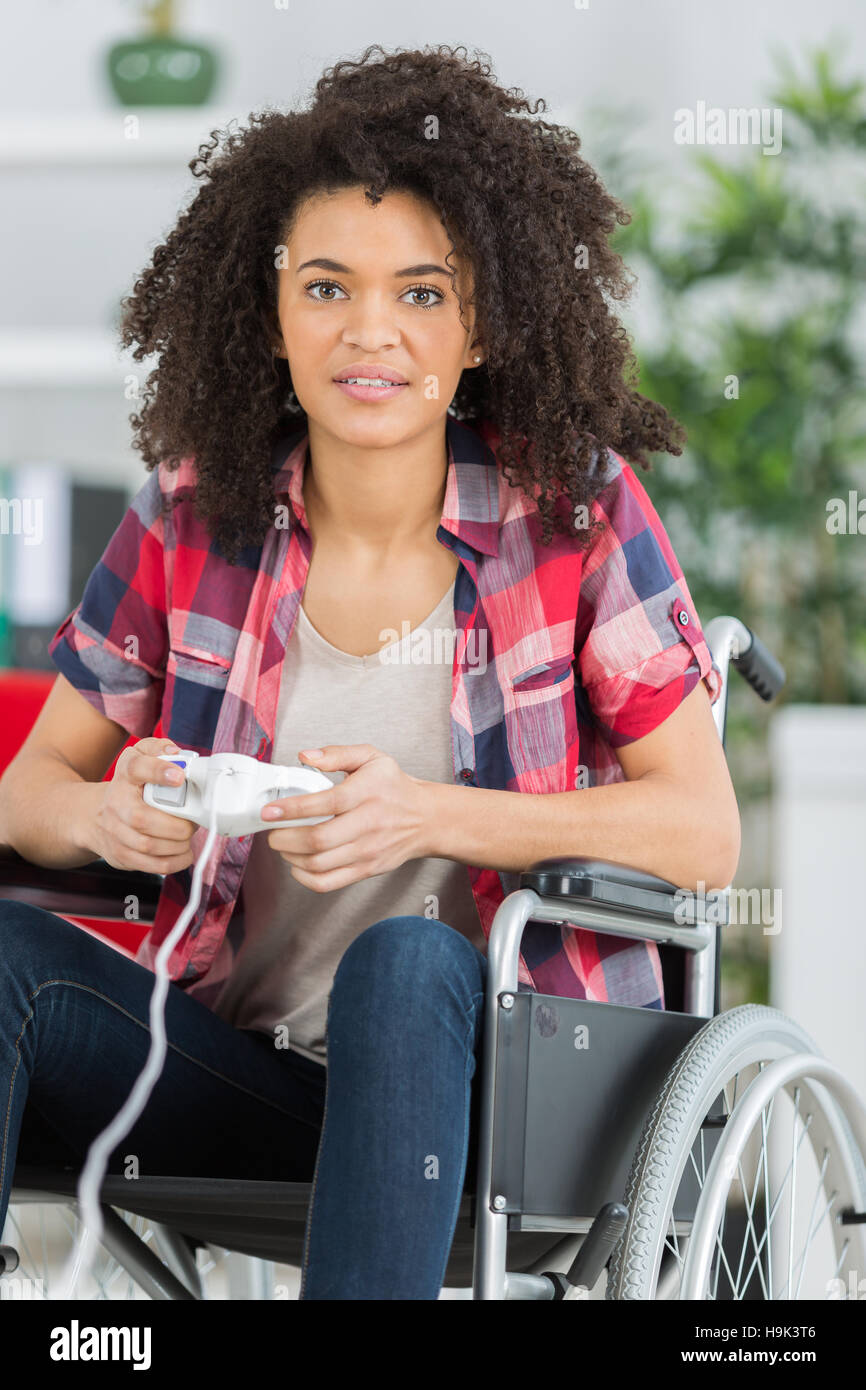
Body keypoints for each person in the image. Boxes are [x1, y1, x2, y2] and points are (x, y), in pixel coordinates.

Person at [0, 43, 740, 1300]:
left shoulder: (572, 515)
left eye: (421, 292)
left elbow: (701, 832)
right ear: (272, 312)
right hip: (260, 1083)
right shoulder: (194, 513)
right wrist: (108, 815)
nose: (369, 332)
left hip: (507, 1093)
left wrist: (428, 814)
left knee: (405, 960)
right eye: (326, 287)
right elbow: (28, 792)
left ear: (478, 325)